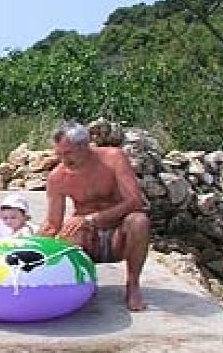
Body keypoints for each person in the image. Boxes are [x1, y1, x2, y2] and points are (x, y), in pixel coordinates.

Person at [40, 121, 151, 311]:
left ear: (85, 146)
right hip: (89, 239)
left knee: (139, 221)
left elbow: (135, 201)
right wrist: (32, 245)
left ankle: (133, 285)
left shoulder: (113, 158)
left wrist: (92, 218)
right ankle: (82, 284)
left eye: (68, 153)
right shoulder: (57, 177)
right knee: (69, 231)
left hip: (119, 235)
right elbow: (53, 223)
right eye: (59, 154)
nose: (64, 160)